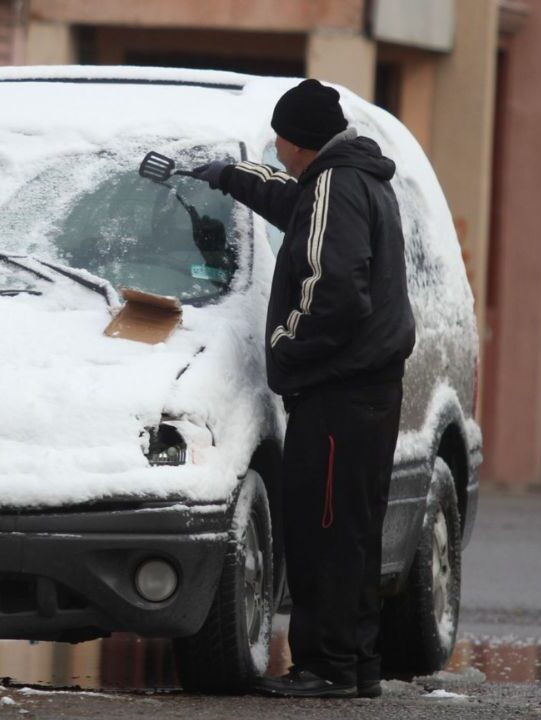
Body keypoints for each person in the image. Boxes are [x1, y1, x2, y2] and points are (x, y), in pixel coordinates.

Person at [189, 79, 416, 699]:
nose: (278, 146)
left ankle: (330, 668)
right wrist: (229, 176)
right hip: (364, 391)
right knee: (350, 528)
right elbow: (293, 204)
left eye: (281, 136)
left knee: (325, 531)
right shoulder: (350, 179)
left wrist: (286, 342)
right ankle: (354, 665)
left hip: (340, 392)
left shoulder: (337, 186)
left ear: (298, 140)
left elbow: (336, 288)